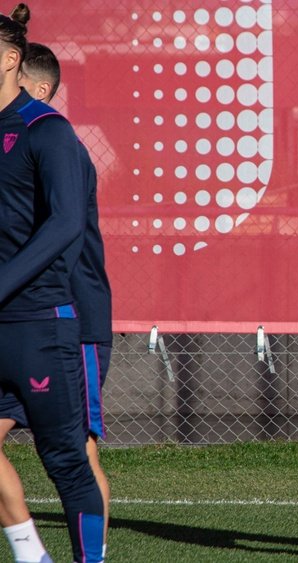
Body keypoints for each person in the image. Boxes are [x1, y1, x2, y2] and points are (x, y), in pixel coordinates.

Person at [0, 41, 113, 562]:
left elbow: (67, 224)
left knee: (70, 457)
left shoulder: (47, 131)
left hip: (44, 324)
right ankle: (31, 554)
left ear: (9, 59)